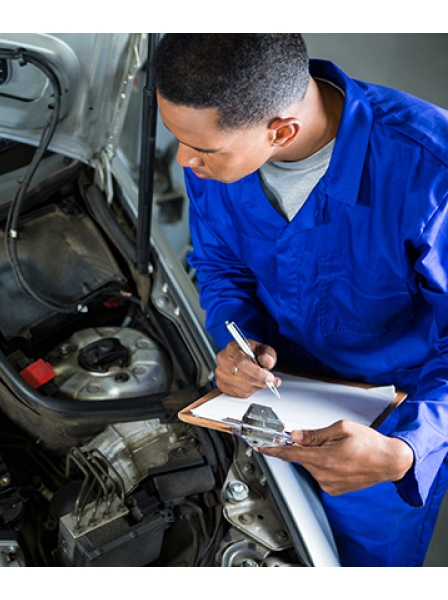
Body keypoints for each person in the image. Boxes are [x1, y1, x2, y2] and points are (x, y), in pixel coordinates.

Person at [152, 33, 448, 566]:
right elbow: (220, 266)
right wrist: (236, 339)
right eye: (176, 136)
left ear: (281, 131)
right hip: (266, 408)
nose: (184, 160)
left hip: (382, 433)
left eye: (202, 149)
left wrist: (408, 449)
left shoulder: (432, 174)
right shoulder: (215, 151)